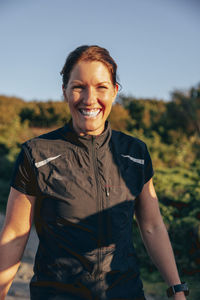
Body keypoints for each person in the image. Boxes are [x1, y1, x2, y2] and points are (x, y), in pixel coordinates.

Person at [0, 45, 189, 300]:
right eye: (78, 86)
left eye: (101, 87)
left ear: (114, 92)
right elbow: (14, 234)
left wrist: (176, 289)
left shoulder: (135, 153)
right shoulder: (37, 154)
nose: (90, 99)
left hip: (126, 293)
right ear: (64, 92)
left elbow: (152, 226)